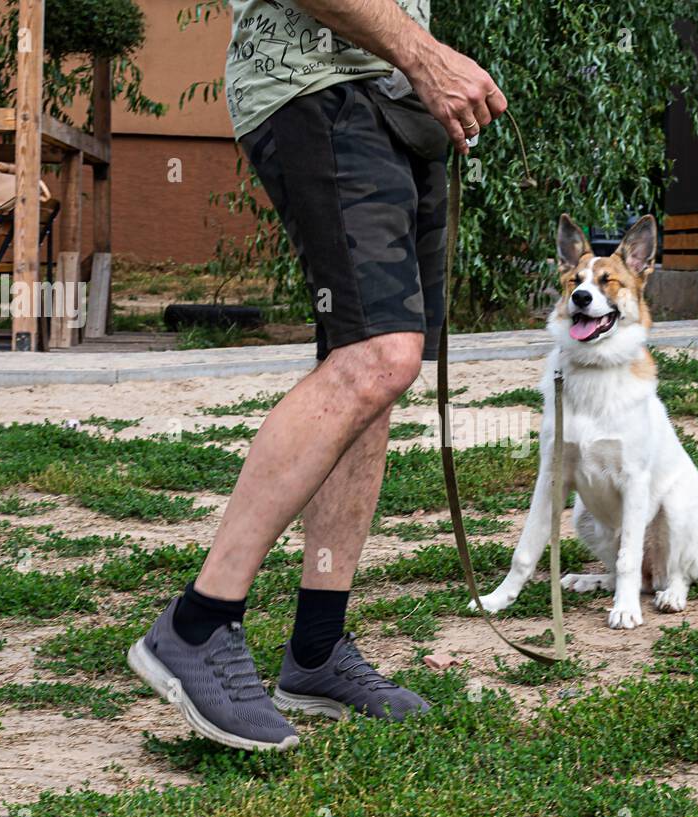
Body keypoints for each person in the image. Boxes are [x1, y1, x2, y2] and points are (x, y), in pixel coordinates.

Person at [126, 0, 508, 749]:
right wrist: (425, 54)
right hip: (318, 86)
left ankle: (316, 650)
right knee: (380, 354)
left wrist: (419, 64)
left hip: (395, 95)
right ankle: (198, 625)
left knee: (374, 368)